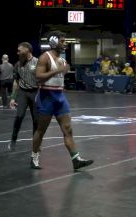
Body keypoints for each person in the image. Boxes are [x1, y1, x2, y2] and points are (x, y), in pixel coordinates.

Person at [31, 30, 94, 170]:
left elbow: (58, 78)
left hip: (59, 98)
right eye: (62, 41)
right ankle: (34, 156)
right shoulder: (44, 57)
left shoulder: (63, 59)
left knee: (68, 130)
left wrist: (61, 76)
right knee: (41, 130)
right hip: (46, 97)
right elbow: (38, 77)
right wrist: (57, 70)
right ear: (53, 42)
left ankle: (75, 159)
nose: (65, 43)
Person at [8, 42, 39, 150]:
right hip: (23, 92)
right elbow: (16, 82)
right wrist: (12, 97)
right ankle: (13, 140)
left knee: (36, 120)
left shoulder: (38, 62)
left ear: (27, 50)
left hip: (35, 92)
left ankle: (36, 144)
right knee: (19, 116)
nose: (18, 52)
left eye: (19, 50)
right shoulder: (18, 64)